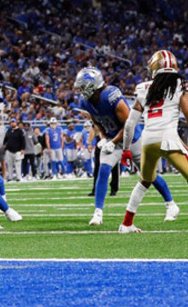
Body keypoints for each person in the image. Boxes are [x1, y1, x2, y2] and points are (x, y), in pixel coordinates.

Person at [119, 50, 188, 234]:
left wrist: (126, 149)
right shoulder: (180, 83)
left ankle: (126, 224)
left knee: (145, 181)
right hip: (169, 138)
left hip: (148, 140)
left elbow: (130, 123)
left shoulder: (143, 88)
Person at [74, 66, 179, 227]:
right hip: (112, 140)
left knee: (148, 174)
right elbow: (96, 122)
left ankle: (171, 204)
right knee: (103, 170)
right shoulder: (86, 102)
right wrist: (102, 137)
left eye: (82, 86)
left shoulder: (111, 97)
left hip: (133, 139)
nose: (80, 90)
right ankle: (98, 213)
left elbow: (129, 124)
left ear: (92, 85)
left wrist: (112, 141)